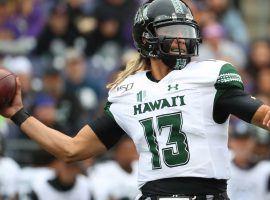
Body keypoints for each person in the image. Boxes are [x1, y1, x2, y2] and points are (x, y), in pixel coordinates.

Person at [1, 0, 270, 199]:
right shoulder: (128, 91)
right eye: (171, 31)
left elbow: (261, 114)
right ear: (146, 38)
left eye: (185, 31)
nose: (181, 40)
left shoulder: (210, 74)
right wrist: (17, 114)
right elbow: (71, 149)